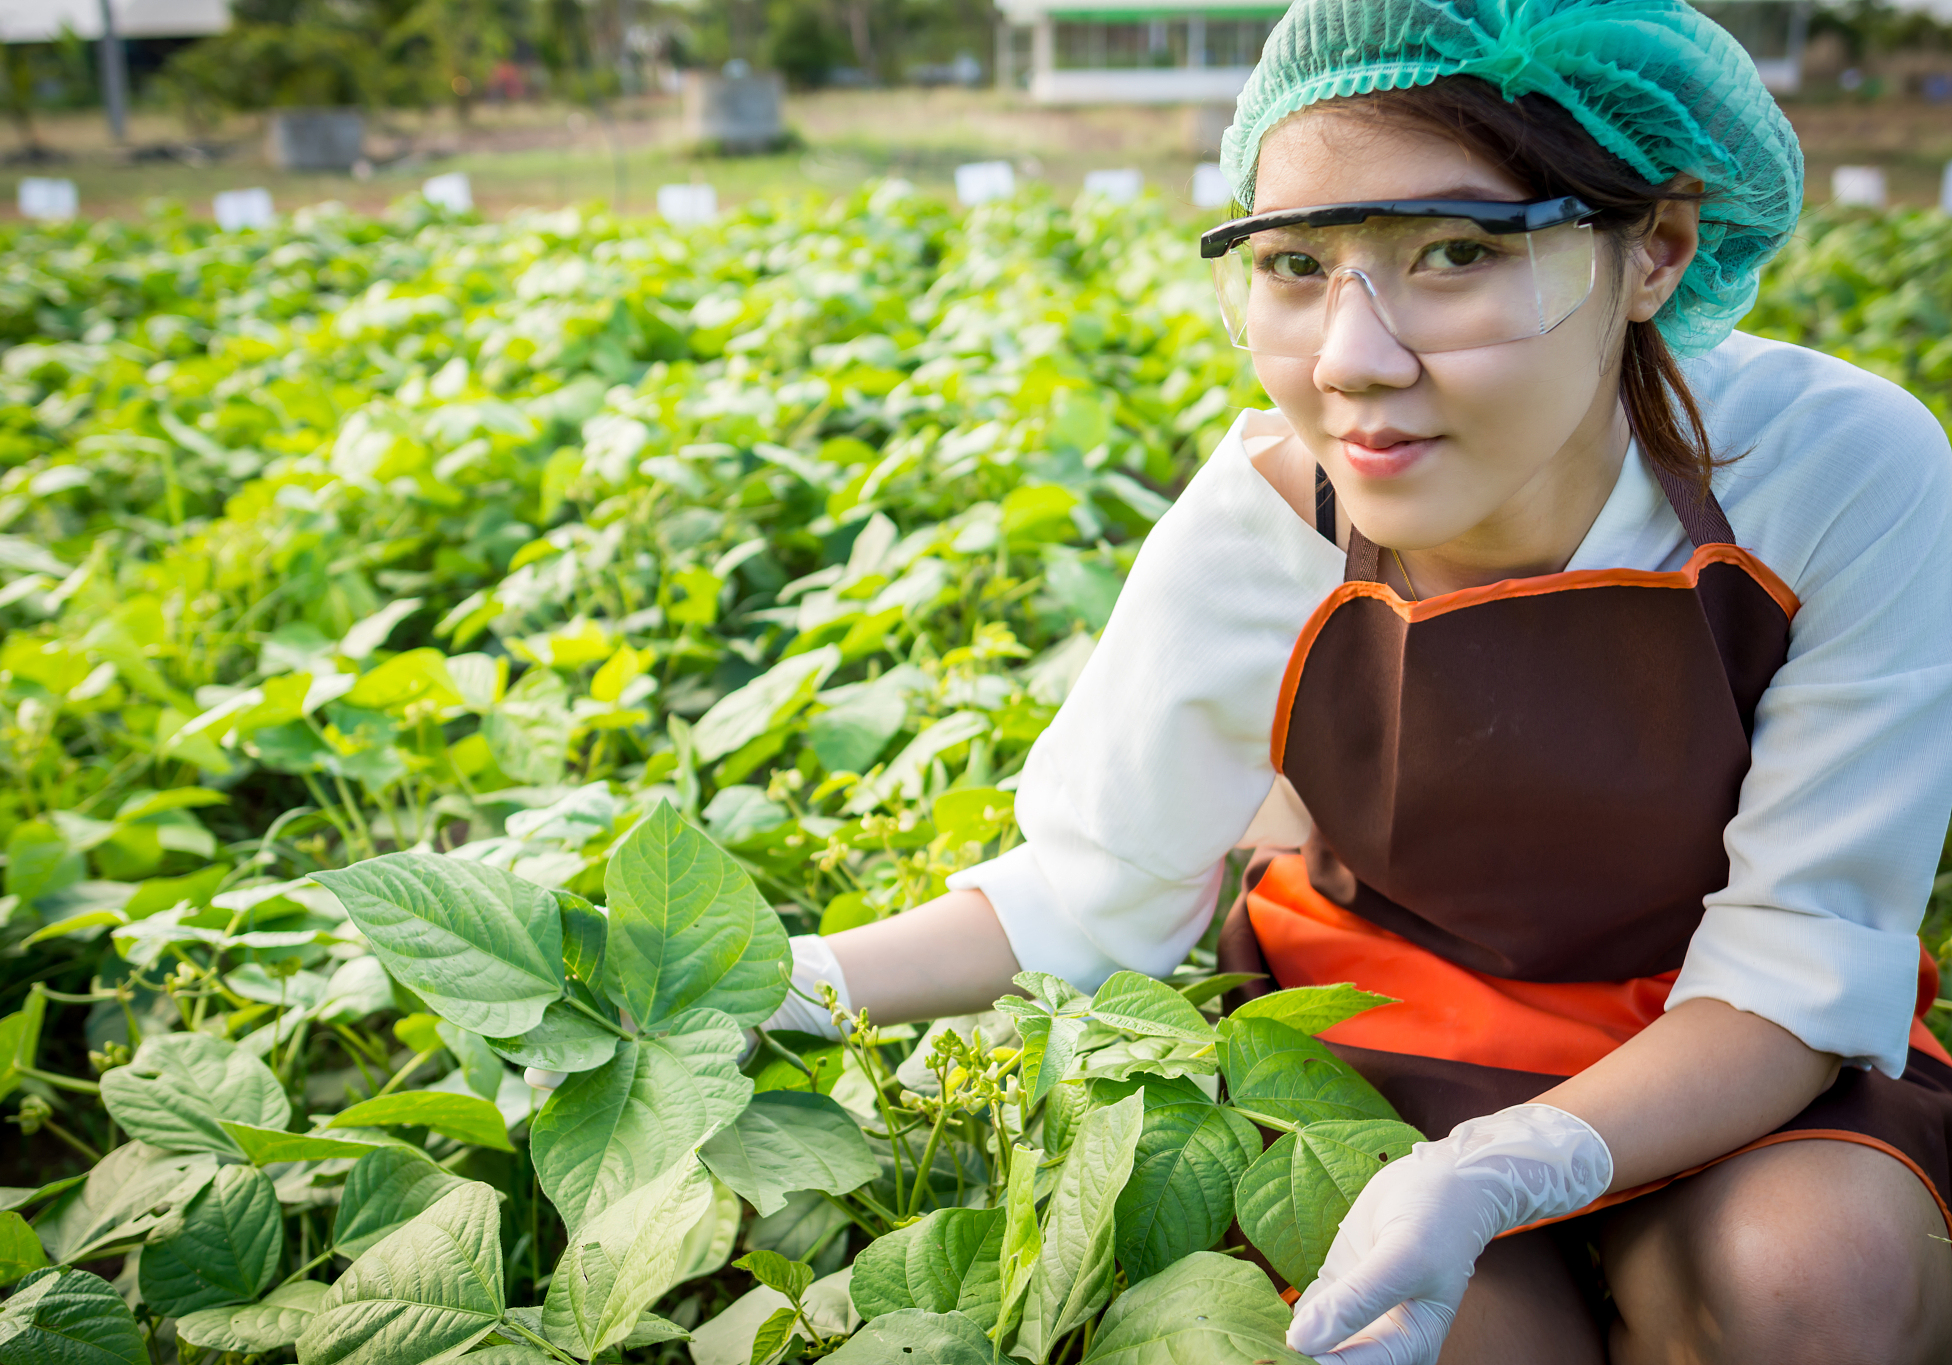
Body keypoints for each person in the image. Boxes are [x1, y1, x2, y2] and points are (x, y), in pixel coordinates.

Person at [550, 0, 1952, 1357]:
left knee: (1811, 1283)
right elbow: (1090, 891)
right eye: (1293, 265)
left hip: (1724, 1039)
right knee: (1433, 1332)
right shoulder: (1259, 530)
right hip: (1377, 1032)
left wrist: (1511, 1165)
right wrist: (776, 986)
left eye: (1457, 252)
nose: (1351, 362)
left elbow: (1801, 951)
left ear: (1656, 252)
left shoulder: (1836, 474)